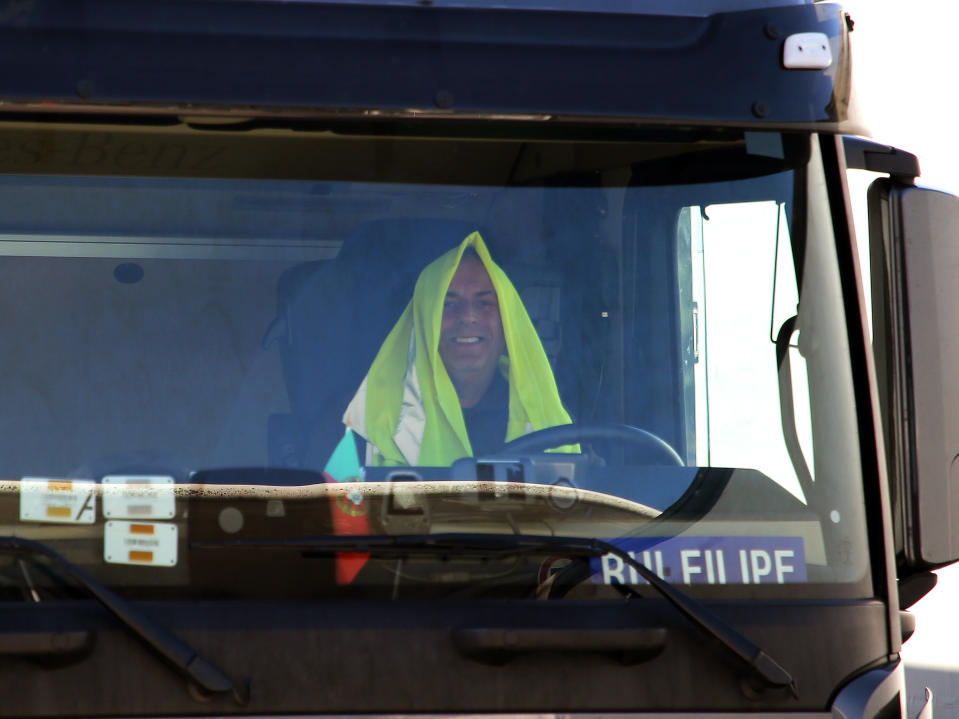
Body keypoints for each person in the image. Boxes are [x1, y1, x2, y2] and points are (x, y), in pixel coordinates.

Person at [343, 231, 573, 466]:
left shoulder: (544, 419)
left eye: (484, 303)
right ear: (424, 323)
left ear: (508, 325)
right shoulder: (367, 422)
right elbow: (343, 499)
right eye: (449, 304)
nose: (468, 316)